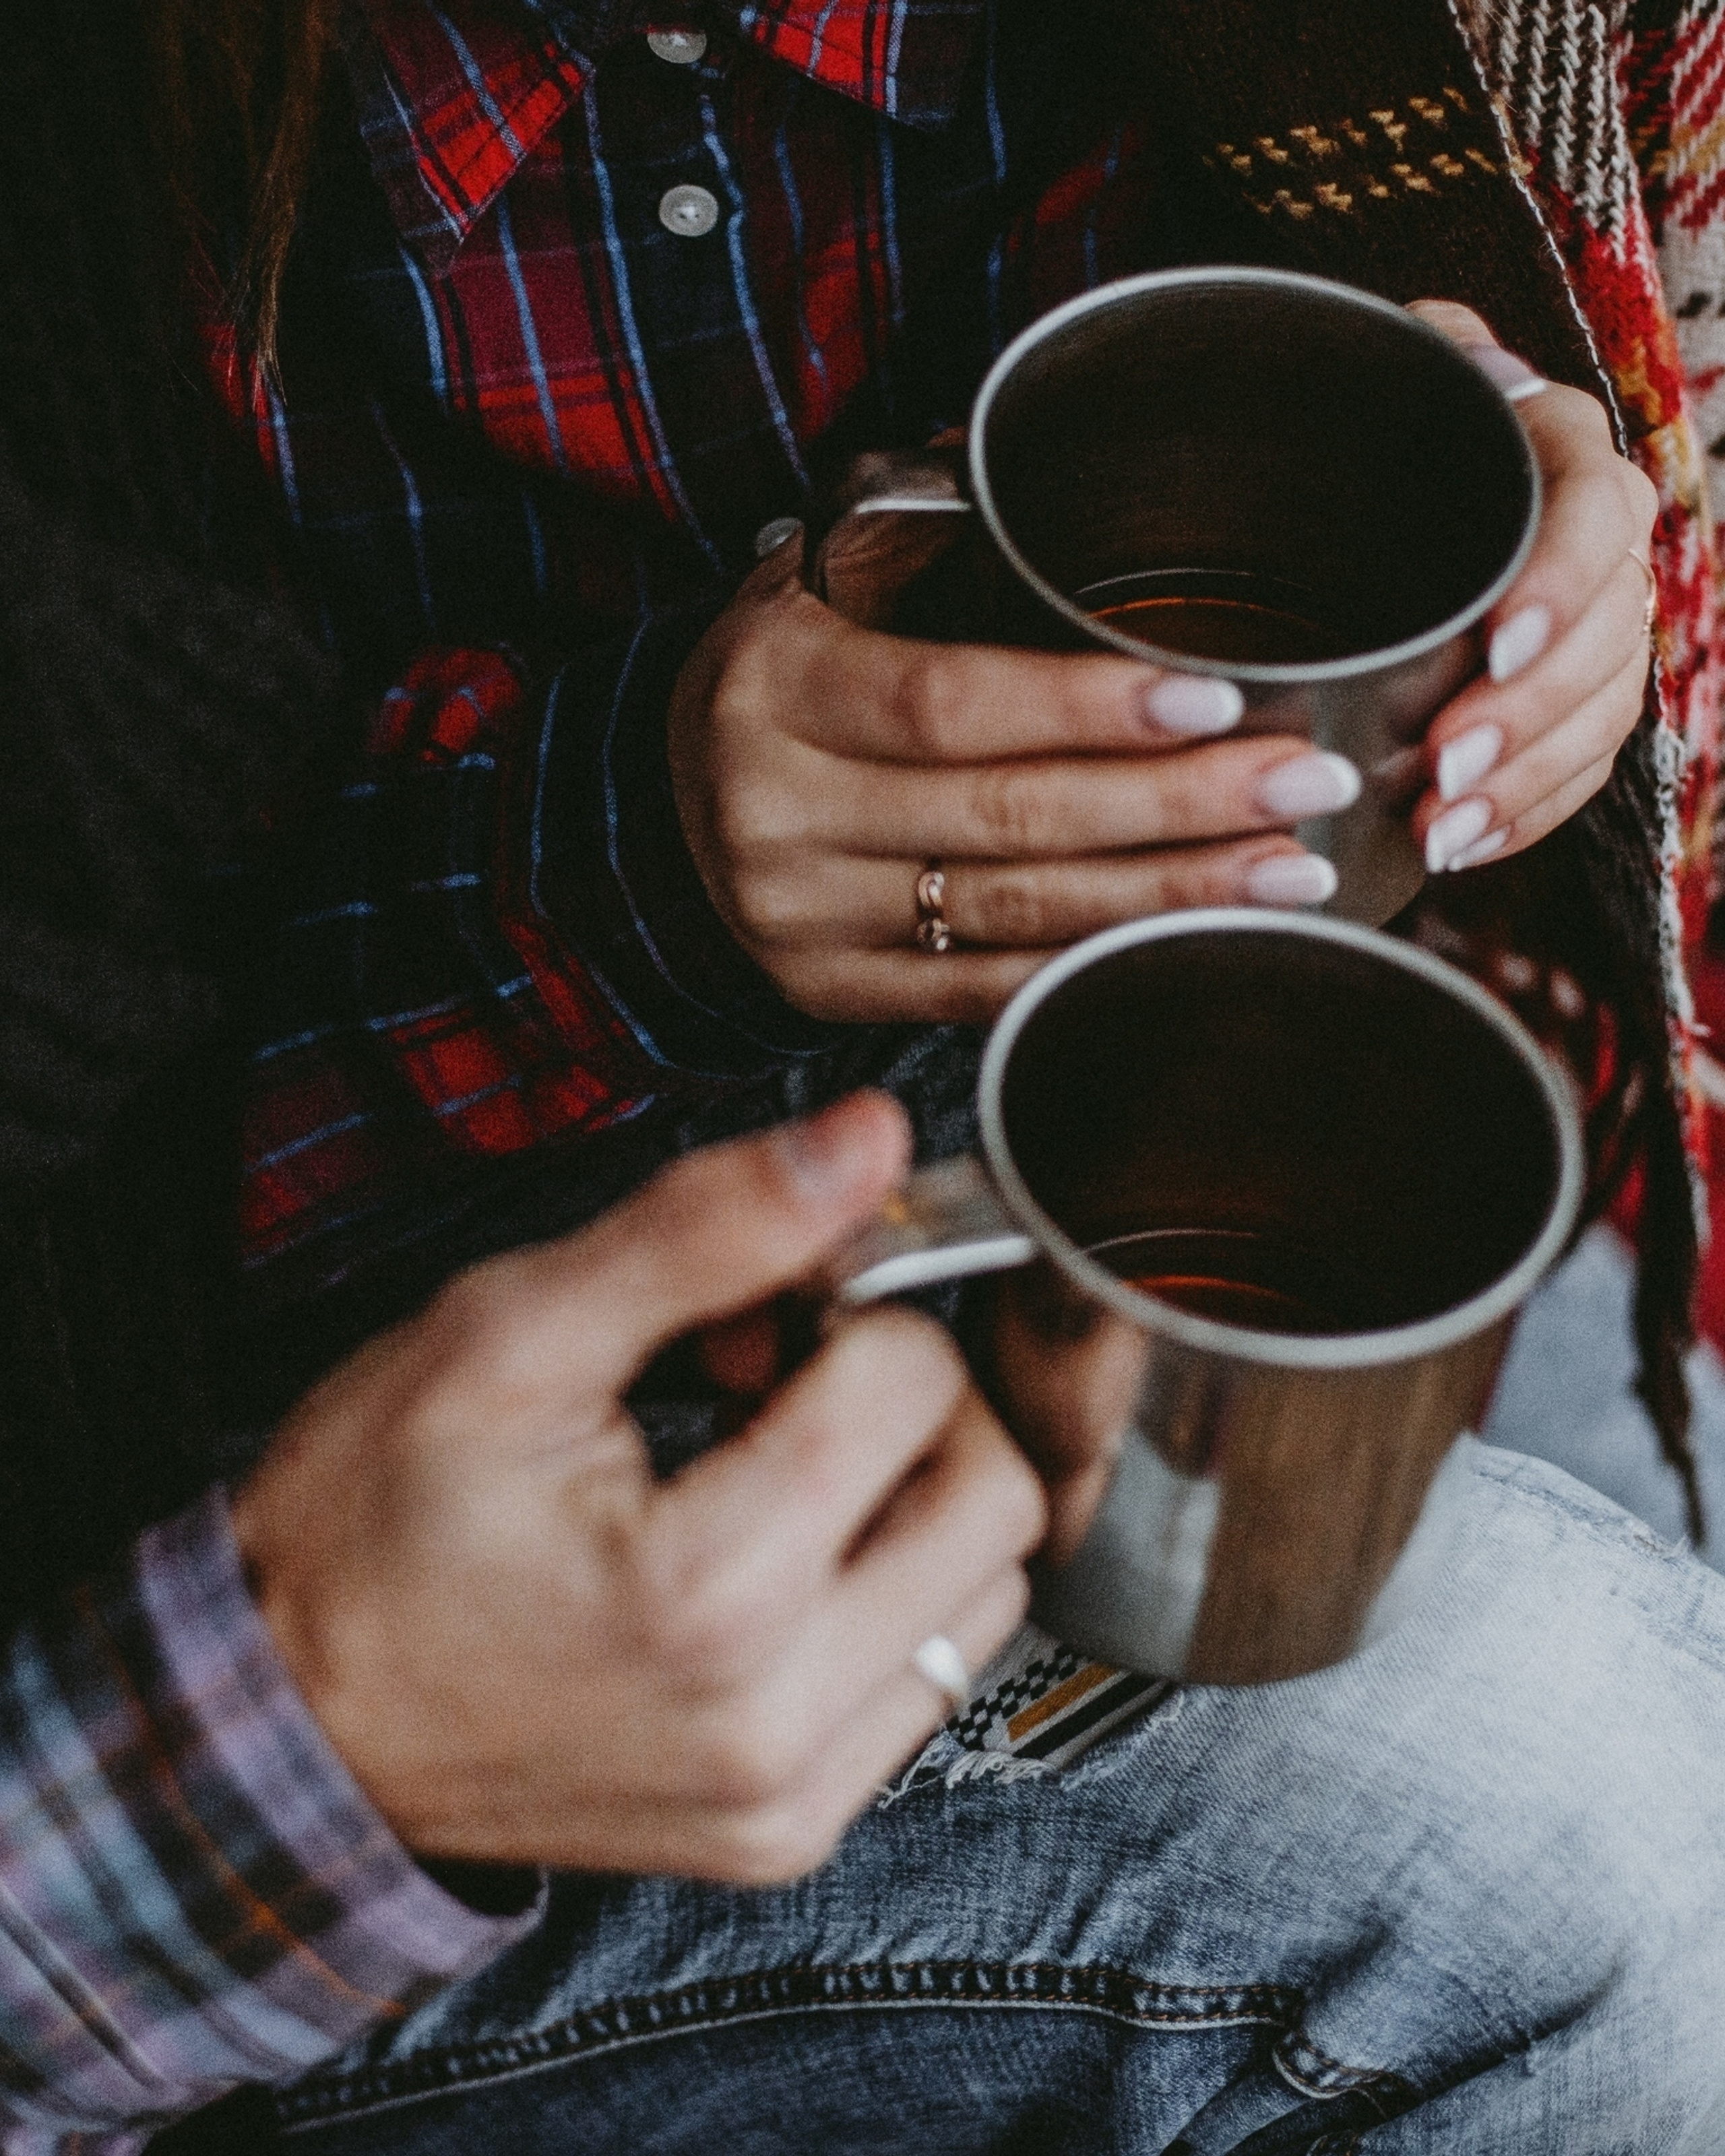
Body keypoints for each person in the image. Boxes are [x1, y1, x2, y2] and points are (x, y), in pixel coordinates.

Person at [3, 0, 1725, 2149]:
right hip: (340, 1618)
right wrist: (628, 865)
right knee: (1603, 1821)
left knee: (1671, 1492)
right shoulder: (95, 198)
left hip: (1087, 1184)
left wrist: (1503, 518)